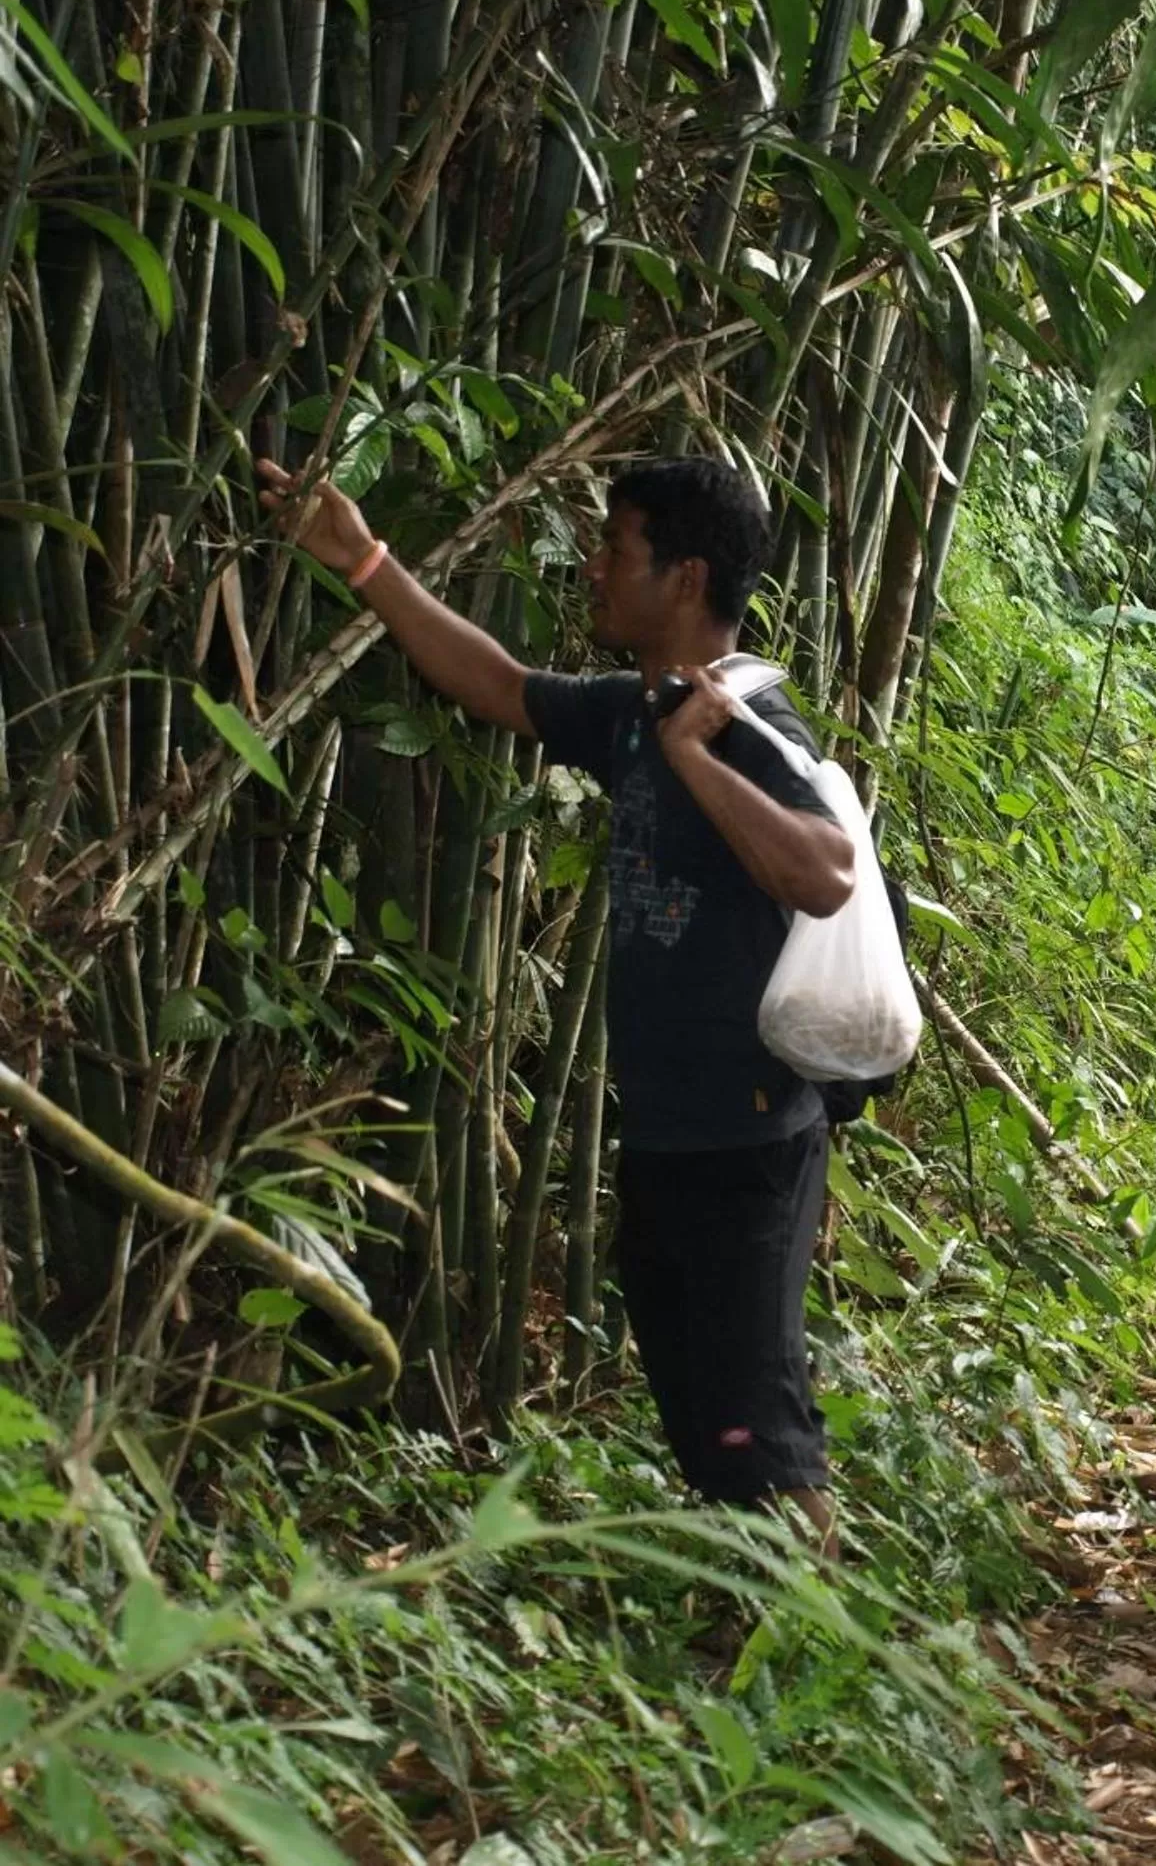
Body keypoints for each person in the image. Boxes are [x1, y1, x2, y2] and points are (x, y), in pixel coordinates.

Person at [258, 453, 854, 1551]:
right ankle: (757, 1605)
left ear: (684, 576)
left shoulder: (741, 729)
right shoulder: (635, 711)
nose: (593, 566)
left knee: (753, 1415)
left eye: (615, 547)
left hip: (751, 1128)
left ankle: (813, 1618)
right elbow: (493, 683)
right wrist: (362, 560)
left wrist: (696, 759)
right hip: (674, 1122)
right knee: (696, 1392)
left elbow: (823, 872)